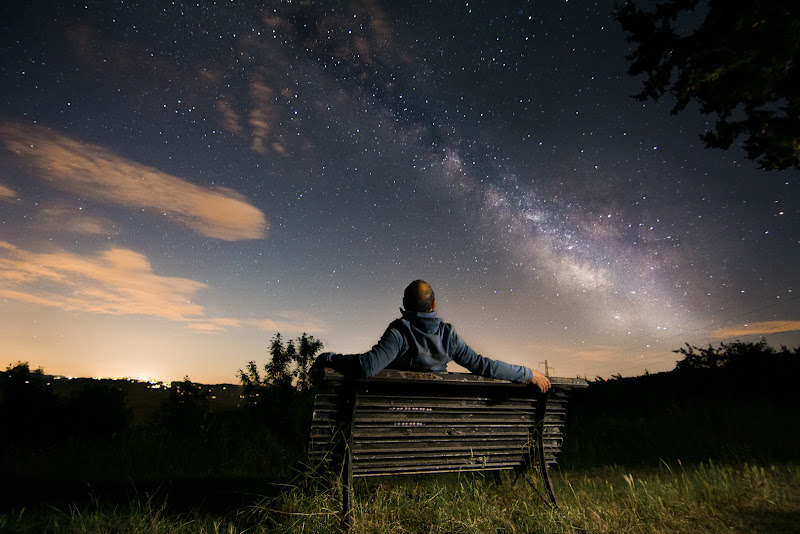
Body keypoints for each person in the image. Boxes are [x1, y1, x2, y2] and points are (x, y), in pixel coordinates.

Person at [316, 280, 551, 392]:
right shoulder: (449, 336)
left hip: (393, 420)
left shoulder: (400, 331)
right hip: (434, 419)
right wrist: (527, 374)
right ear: (434, 304)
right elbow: (483, 366)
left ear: (405, 305)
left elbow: (367, 367)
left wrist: (331, 358)